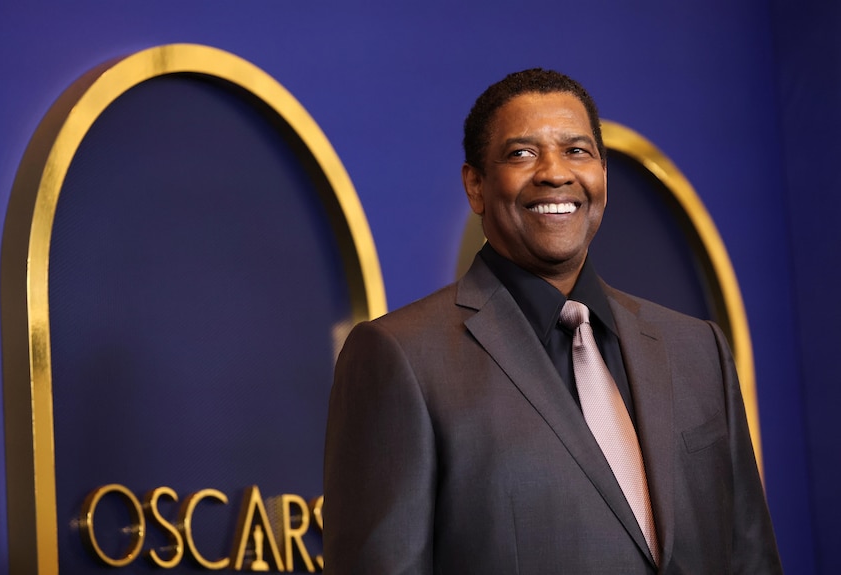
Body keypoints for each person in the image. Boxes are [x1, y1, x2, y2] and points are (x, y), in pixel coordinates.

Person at [323, 68, 782, 574]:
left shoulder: (698, 350)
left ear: (602, 175)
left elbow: (750, 558)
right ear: (475, 185)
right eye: (522, 153)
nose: (555, 173)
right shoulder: (401, 356)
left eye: (577, 151)